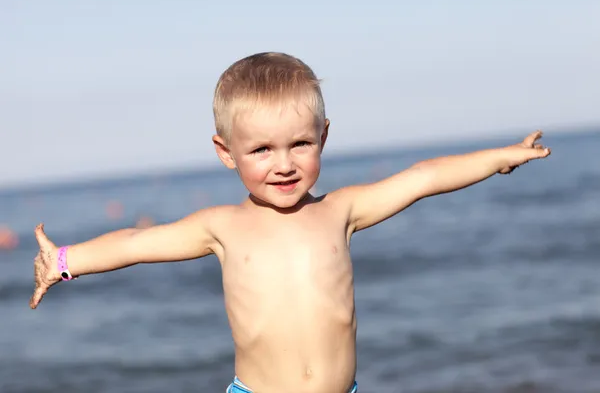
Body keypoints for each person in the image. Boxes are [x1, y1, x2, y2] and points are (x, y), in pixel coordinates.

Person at [29, 52, 551, 393]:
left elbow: (422, 177)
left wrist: (496, 158)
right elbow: (138, 242)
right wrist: (65, 261)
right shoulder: (222, 226)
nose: (284, 163)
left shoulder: (341, 210)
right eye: (261, 149)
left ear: (323, 137)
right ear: (226, 152)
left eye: (299, 143)